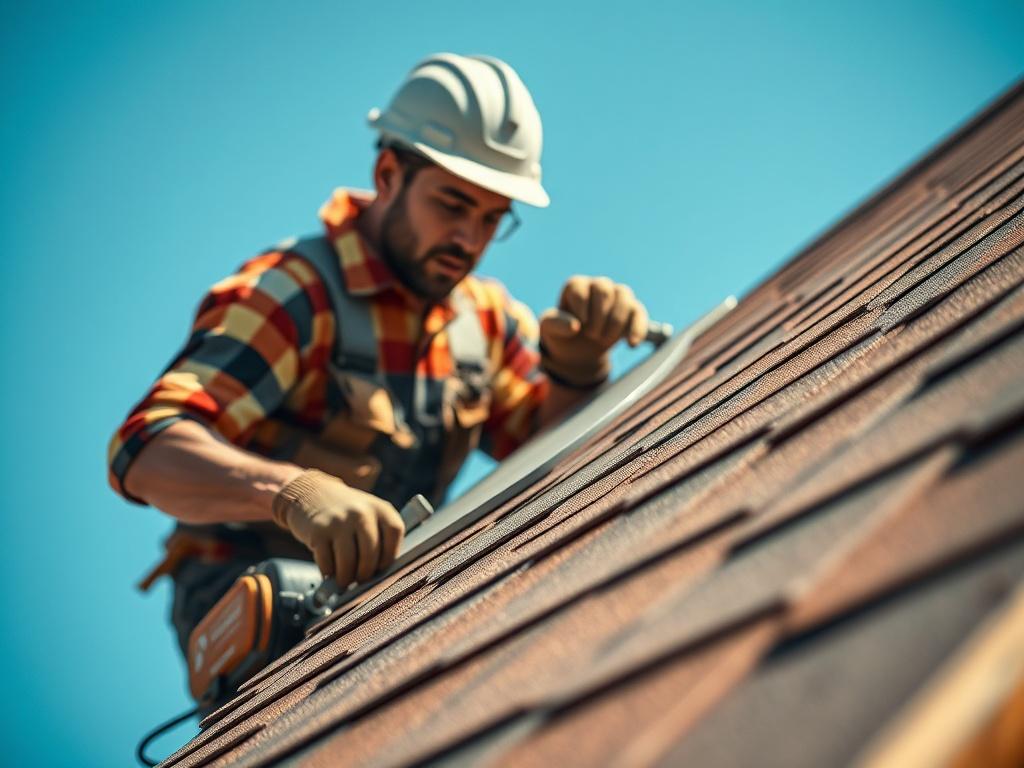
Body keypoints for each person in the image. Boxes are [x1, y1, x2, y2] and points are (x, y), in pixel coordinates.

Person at [107, 53, 650, 668]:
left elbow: (546, 452)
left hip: (390, 606)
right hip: (258, 612)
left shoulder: (486, 321)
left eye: (492, 219)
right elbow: (145, 450)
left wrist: (577, 370)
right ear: (388, 174)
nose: (468, 241)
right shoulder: (297, 294)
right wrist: (290, 493)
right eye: (451, 205)